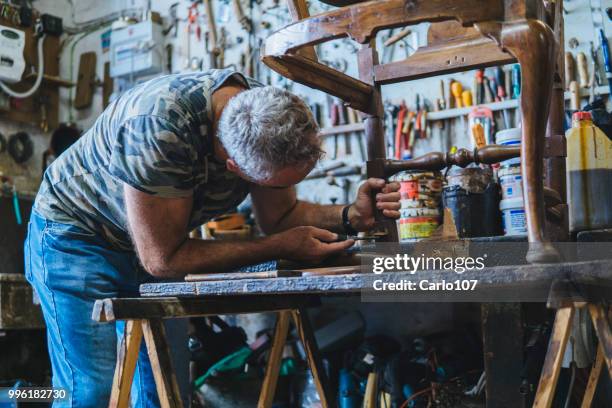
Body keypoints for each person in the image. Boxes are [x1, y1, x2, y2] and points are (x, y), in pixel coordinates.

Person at [25, 69, 401, 407]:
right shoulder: (159, 127)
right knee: (90, 391)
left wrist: (350, 215)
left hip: (152, 242)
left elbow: (281, 217)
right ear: (234, 168)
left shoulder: (267, 117)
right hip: (77, 237)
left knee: (162, 389)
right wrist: (280, 246)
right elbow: (164, 260)